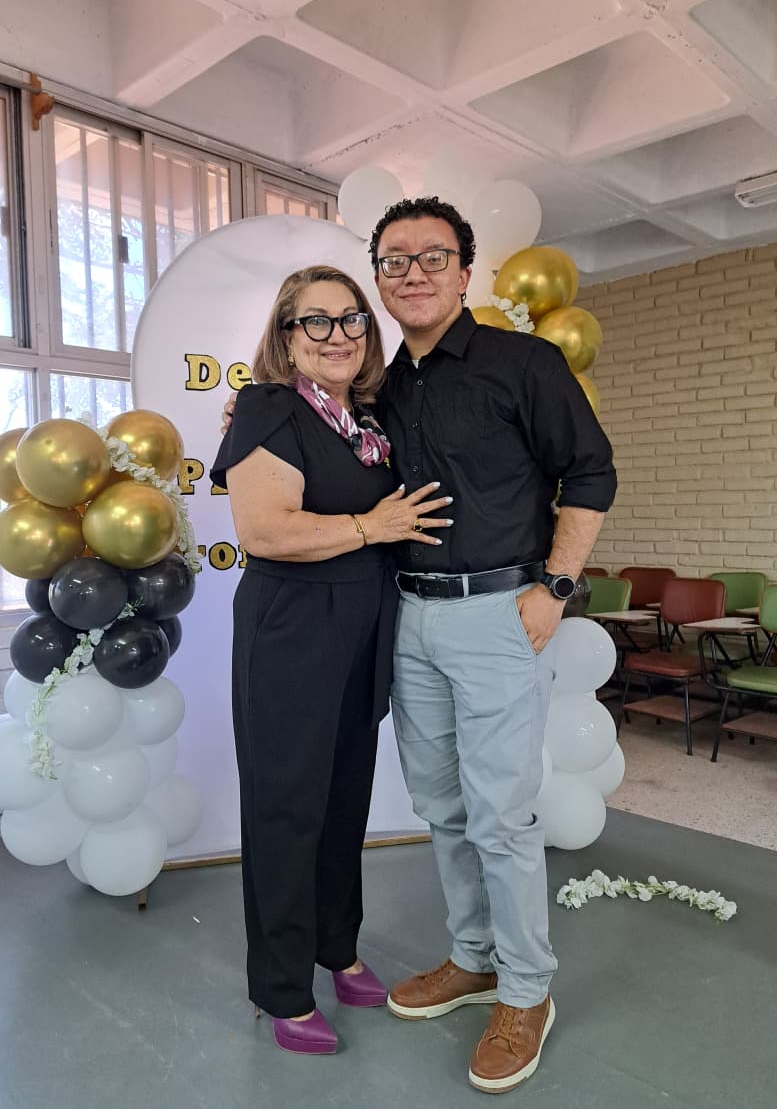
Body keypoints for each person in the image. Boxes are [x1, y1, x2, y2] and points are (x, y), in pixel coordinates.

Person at [368, 197, 616, 1094]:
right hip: (409, 615)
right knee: (440, 805)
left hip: (498, 614)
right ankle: (472, 958)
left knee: (501, 815)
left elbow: (590, 472)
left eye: (432, 256)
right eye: (394, 260)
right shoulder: (381, 387)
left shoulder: (523, 363)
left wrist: (555, 588)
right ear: (379, 279)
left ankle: (524, 991)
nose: (414, 273)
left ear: (465, 272)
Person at [209, 265, 453, 1057]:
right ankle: (282, 989)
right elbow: (264, 531)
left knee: (344, 800)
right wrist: (371, 527)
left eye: (351, 319)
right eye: (315, 321)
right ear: (287, 338)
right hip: (292, 628)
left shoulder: (365, 421)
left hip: (363, 626)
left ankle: (336, 949)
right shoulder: (269, 407)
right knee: (286, 809)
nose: (337, 335)